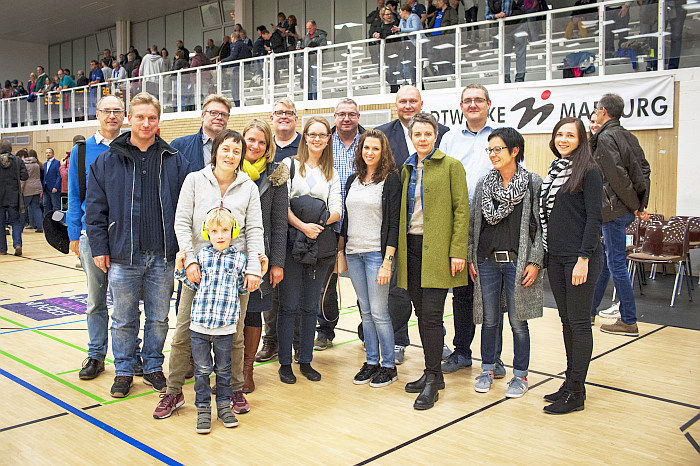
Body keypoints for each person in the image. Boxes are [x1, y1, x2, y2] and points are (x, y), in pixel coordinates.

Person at [85, 92, 190, 398]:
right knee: (123, 319)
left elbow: (186, 207)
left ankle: (154, 366)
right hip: (123, 255)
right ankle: (124, 371)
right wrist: (101, 247)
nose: (146, 123)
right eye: (140, 117)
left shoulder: (174, 159)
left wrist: (182, 246)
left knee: (159, 318)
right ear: (130, 119)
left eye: (152, 117)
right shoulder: (106, 161)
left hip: (163, 255)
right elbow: (95, 210)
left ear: (159, 121)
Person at [154, 129, 263, 419]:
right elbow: (181, 222)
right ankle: (174, 391)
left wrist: (253, 268)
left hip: (233, 273)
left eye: (236, 151)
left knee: (235, 334)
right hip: (199, 271)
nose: (231, 155)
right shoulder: (194, 180)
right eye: (226, 149)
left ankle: (234, 390)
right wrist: (189, 261)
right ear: (215, 152)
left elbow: (254, 229)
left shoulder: (248, 187)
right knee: (183, 333)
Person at [398, 112, 468, 410]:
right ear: (411, 138)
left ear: (435, 136)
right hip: (410, 248)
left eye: (428, 133)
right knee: (419, 312)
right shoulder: (406, 168)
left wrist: (457, 251)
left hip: (438, 250)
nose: (423, 138)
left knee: (431, 315)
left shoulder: (451, 166)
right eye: (418, 135)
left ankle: (432, 377)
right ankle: (432, 374)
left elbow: (461, 211)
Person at [376, 86, 449, 364]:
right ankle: (398, 340)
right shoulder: (384, 133)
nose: (407, 105)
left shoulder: (444, 134)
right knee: (398, 289)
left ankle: (435, 343)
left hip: (432, 226)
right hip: (397, 223)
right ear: (396, 105)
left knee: (429, 296)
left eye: (412, 101)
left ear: (421, 103)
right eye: (402, 101)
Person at [468, 127, 544, 398]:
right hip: (486, 261)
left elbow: (540, 228)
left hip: (517, 263)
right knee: (489, 320)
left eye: (498, 149)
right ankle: (488, 368)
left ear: (515, 151)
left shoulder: (532, 183)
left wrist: (535, 261)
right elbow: (473, 225)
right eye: (490, 149)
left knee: (517, 321)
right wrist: (471, 257)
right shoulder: (483, 184)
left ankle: (520, 376)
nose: (493, 154)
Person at [67, 96, 139, 381]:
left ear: (124, 116)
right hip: (92, 236)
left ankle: (132, 354)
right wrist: (75, 233)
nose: (112, 116)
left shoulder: (133, 147)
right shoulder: (82, 151)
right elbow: (75, 194)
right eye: (107, 111)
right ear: (97, 115)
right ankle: (96, 355)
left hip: (126, 238)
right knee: (96, 300)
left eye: (117, 111)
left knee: (128, 302)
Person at [438, 83, 506, 376]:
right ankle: (462, 352)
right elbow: (439, 176)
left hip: (493, 225)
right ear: (461, 106)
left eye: (479, 100)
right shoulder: (450, 138)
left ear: (489, 104)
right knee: (462, 294)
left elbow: (514, 175)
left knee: (493, 296)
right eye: (468, 101)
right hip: (460, 225)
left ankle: (494, 358)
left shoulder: (502, 136)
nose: (473, 104)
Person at [540, 117, 603, 415]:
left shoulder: (589, 171)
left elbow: (594, 219)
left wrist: (584, 258)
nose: (563, 139)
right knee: (566, 322)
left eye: (570, 135)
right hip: (556, 256)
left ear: (581, 139)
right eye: (559, 134)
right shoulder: (555, 170)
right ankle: (571, 382)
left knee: (578, 323)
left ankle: (576, 393)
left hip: (579, 259)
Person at [278, 117, 341, 384]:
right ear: (304, 137)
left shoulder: (332, 172)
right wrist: (303, 226)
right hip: (293, 246)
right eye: (312, 134)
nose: (317, 139)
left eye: (322, 135)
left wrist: (317, 225)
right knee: (289, 305)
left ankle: (305, 360)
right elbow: (282, 206)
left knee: (309, 306)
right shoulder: (289, 165)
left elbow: (337, 208)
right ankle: (284, 363)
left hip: (318, 247)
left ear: (328, 139)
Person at [174, 207, 247, 434]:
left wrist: (260, 272)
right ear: (207, 234)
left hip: (225, 327)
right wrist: (180, 268)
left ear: (233, 231)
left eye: (225, 230)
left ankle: (224, 407)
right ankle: (203, 410)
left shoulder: (240, 260)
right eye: (214, 231)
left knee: (224, 371)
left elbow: (242, 289)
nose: (220, 235)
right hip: (199, 327)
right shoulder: (200, 258)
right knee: (202, 371)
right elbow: (190, 284)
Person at [341, 129, 401, 387]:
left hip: (377, 254)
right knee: (365, 310)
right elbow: (346, 219)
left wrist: (388, 261)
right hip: (354, 254)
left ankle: (389, 365)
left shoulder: (391, 180)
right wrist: (340, 252)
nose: (370, 152)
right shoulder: (353, 180)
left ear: (383, 151)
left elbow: (394, 223)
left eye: (375, 148)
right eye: (366, 148)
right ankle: (372, 361)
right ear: (360, 150)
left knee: (379, 312)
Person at [590, 94, 650, 336]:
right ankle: (590, 310)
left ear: (603, 111)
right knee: (606, 262)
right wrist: (639, 204)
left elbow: (617, 176)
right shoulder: (627, 135)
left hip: (613, 209)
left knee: (616, 264)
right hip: (622, 209)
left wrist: (634, 204)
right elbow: (643, 168)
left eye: (596, 109)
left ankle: (628, 319)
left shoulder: (605, 137)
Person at [240, 119, 289, 393]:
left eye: (262, 142)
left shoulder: (276, 175)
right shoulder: (228, 168)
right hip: (230, 254)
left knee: (253, 313)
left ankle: (247, 371)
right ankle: (228, 369)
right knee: (230, 314)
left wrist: (278, 262)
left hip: (262, 257)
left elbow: (280, 222)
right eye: (251, 140)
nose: (256, 146)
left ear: (268, 146)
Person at [255, 98, 302, 364]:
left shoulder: (304, 146)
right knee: (269, 294)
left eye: (288, 113)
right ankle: (270, 341)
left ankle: (294, 342)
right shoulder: (265, 148)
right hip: (270, 232)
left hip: (297, 233)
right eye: (278, 113)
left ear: (296, 117)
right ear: (271, 118)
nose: (283, 117)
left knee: (293, 292)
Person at [315, 99, 364, 350]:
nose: (346, 118)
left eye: (351, 114)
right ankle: (325, 331)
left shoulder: (369, 141)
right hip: (329, 224)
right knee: (326, 282)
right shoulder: (324, 143)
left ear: (358, 117)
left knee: (363, 280)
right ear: (334, 117)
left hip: (362, 224)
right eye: (342, 114)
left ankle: (367, 332)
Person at [485, 0, 528, 82]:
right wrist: (496, 15)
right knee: (505, 55)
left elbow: (506, 13)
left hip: (519, 25)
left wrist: (495, 16)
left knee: (520, 53)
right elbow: (487, 16)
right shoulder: (488, 1)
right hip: (505, 28)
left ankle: (519, 78)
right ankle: (506, 79)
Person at [0, 140, 28, 256]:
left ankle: (2, 249)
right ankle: (17, 244)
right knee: (16, 222)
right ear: (11, 148)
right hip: (14, 196)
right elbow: (25, 176)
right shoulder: (17, 161)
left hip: (0, 196)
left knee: (1, 224)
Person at [372, 6, 402, 93]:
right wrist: (375, 34)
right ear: (382, 16)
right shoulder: (380, 25)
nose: (389, 16)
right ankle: (394, 85)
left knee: (392, 70)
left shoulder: (396, 22)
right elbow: (375, 33)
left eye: (390, 14)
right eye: (387, 14)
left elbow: (387, 33)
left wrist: (380, 34)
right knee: (380, 71)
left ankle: (394, 89)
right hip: (384, 52)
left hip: (395, 51)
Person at [298, 20, 328, 99]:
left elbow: (324, 46)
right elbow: (303, 46)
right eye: (307, 28)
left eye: (310, 28)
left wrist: (313, 48)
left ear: (315, 26)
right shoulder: (306, 37)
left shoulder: (321, 35)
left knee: (315, 80)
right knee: (307, 80)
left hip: (315, 60)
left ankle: (316, 98)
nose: (309, 30)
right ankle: (309, 98)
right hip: (307, 61)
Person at [394, 4, 423, 86]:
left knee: (416, 65)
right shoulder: (403, 20)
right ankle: (414, 83)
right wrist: (401, 24)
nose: (399, 14)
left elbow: (415, 28)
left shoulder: (414, 17)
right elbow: (399, 30)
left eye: (400, 12)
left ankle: (418, 84)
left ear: (405, 11)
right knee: (411, 65)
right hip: (410, 45)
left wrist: (400, 29)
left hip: (419, 43)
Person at [20, 149, 43, 233]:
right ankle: (40, 227)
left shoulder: (25, 165)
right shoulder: (37, 165)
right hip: (37, 188)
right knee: (36, 208)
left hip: (27, 189)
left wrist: (21, 189)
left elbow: (23, 179)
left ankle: (20, 227)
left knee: (23, 209)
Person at [42, 148, 62, 214]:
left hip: (53, 188)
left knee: (55, 206)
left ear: (53, 154)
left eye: (49, 152)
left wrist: (56, 187)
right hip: (45, 187)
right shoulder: (44, 164)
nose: (48, 154)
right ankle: (46, 222)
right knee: (45, 205)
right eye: (46, 153)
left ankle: (56, 222)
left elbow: (59, 176)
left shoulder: (57, 163)